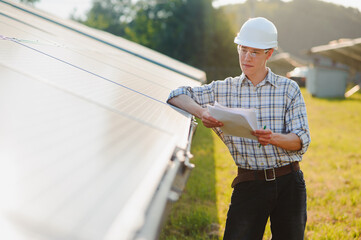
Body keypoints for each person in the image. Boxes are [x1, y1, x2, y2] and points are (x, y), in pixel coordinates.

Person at [167, 17, 311, 240]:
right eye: (243, 50)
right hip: (249, 184)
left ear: (269, 54)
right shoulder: (224, 89)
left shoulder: (288, 89)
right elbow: (176, 95)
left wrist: (273, 138)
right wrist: (203, 112)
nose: (246, 57)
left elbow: (301, 140)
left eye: (254, 52)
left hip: (289, 183)